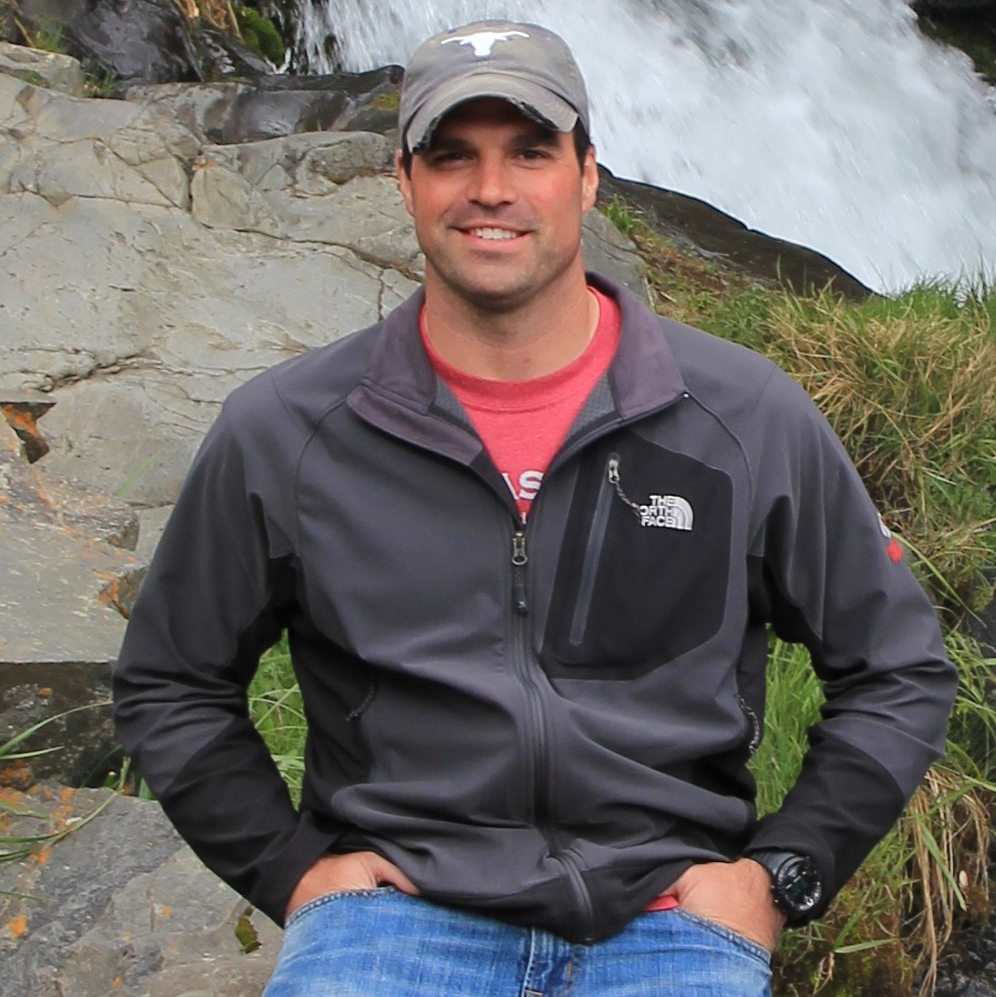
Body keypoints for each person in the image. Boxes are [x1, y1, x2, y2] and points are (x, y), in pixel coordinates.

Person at [112, 18, 958, 997]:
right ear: (404, 181)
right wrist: (289, 869)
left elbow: (897, 667)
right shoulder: (287, 431)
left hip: (670, 924)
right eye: (451, 155)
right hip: (391, 925)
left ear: (588, 175)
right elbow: (170, 679)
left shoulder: (743, 416)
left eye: (529, 151)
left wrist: (783, 873)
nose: (491, 188)